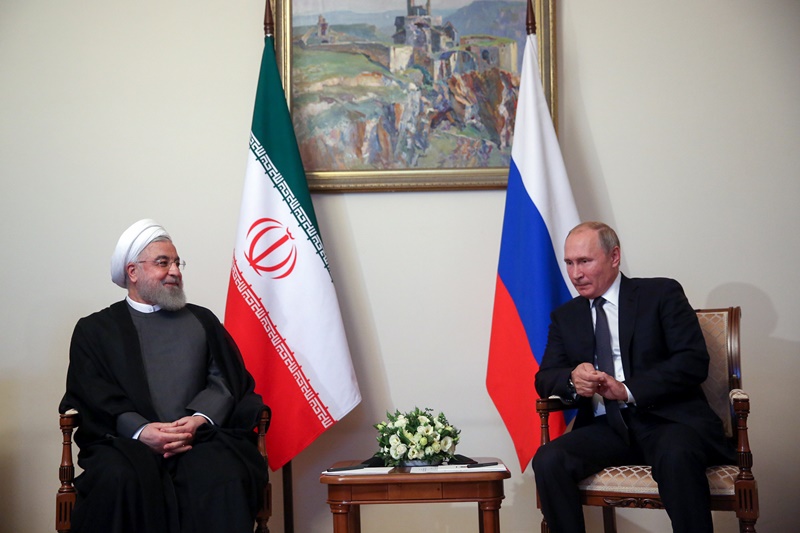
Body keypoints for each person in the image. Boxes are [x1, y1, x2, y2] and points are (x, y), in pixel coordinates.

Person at [60, 219, 268, 533]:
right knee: (117, 479)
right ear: (133, 272)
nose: (175, 271)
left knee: (226, 474)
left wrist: (198, 420)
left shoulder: (202, 320)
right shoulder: (96, 330)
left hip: (198, 440)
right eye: (163, 263)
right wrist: (140, 430)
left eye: (176, 262)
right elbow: (93, 393)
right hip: (125, 444)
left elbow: (227, 380)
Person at [532, 222, 734, 533]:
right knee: (548, 459)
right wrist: (573, 379)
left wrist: (627, 390)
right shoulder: (566, 316)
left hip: (669, 421)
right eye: (569, 263)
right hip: (608, 427)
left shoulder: (660, 294)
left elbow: (692, 361)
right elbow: (545, 377)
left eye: (584, 261)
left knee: (677, 455)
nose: (575, 274)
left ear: (614, 257)